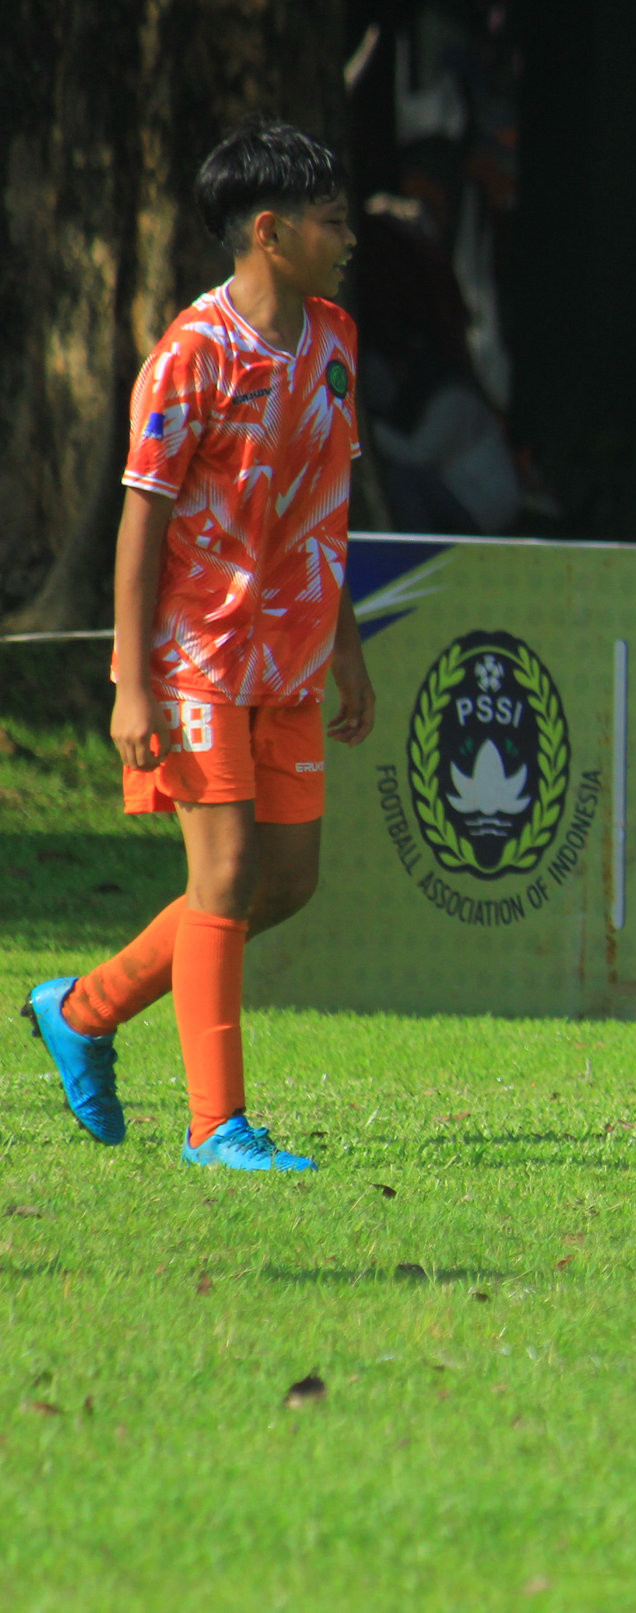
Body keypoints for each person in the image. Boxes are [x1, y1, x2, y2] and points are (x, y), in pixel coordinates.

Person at [19, 121, 373, 1172]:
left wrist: (346, 644)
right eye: (333, 220)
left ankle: (84, 1009)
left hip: (295, 657)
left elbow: (326, 507)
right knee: (223, 875)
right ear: (269, 231)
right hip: (197, 662)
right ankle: (217, 1125)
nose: (350, 235)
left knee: (287, 880)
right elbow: (142, 522)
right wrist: (130, 681)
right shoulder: (190, 358)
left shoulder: (339, 344)